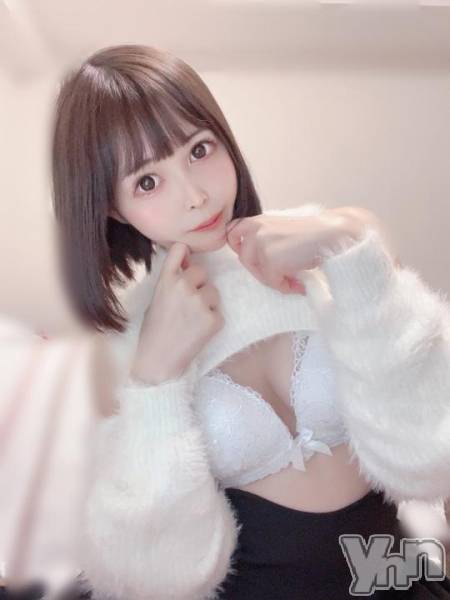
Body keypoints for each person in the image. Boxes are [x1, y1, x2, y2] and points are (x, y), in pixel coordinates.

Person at [49, 44, 450, 599]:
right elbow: (158, 578)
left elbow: (431, 455)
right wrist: (156, 384)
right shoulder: (123, 348)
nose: (196, 195)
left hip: (390, 574)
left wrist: (354, 247)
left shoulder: (332, 242)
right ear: (112, 207)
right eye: (147, 181)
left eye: (199, 149)